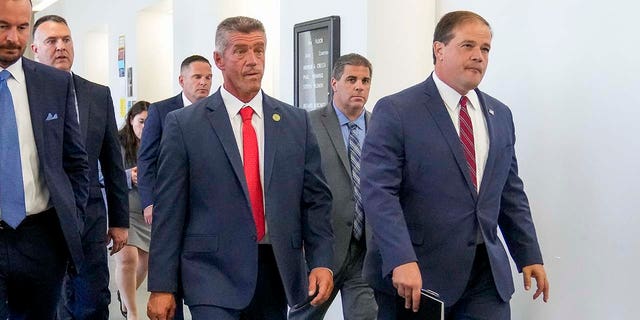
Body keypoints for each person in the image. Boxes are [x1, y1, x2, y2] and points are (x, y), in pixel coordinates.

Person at [360, 10, 550, 320]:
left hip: (485, 275)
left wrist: (529, 254)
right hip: (419, 277)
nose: (478, 56)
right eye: (468, 46)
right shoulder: (397, 111)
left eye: (485, 49)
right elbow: (378, 193)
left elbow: (510, 192)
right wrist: (400, 258)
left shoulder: (500, 115)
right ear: (439, 49)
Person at [146, 16, 334, 320]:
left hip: (276, 271)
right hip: (210, 274)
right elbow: (169, 209)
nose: (253, 61)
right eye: (241, 51)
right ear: (219, 59)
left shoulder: (295, 122)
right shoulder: (185, 125)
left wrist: (322, 261)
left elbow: (316, 200)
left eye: (259, 51)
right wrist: (162, 285)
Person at [31, 14, 129, 320]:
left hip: (89, 220)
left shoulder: (97, 95)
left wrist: (120, 220)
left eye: (66, 39)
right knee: (46, 304)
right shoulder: (21, 94)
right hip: (40, 222)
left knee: (92, 303)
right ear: (34, 49)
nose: (61, 47)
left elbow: (113, 162)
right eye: (51, 41)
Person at [0, 0, 90, 318]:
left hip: (40, 238)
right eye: (2, 26)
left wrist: (72, 221)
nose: (13, 37)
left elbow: (75, 162)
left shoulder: (53, 83)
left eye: (22, 27)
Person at [291, 53, 377, 320]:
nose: (359, 86)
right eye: (351, 79)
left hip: (366, 248)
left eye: (365, 80)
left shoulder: (381, 126)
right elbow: (293, 188)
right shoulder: (307, 124)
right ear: (334, 83)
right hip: (322, 248)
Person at [137, 54, 212, 319]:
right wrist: (149, 201)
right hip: (167, 205)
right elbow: (146, 159)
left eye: (208, 78)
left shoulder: (217, 111)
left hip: (204, 209)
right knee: (170, 274)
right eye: (197, 77)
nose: (203, 83)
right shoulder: (161, 110)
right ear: (182, 80)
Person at [114, 101, 150, 320]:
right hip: (123, 207)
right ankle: (132, 312)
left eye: (149, 122)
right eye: (141, 121)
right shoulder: (118, 142)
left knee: (144, 264)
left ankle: (124, 294)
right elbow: (104, 173)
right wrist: (129, 176)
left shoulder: (158, 142)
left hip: (146, 209)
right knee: (127, 260)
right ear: (131, 121)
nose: (145, 126)